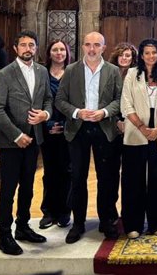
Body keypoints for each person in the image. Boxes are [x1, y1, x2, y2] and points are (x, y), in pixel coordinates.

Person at [55, 31, 123, 244]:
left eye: (96, 45)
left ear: (104, 48)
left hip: (104, 129)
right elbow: (60, 100)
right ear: (82, 47)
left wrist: (105, 112)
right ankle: (78, 223)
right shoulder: (71, 70)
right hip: (78, 129)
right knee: (78, 178)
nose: (91, 49)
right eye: (87, 45)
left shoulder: (112, 71)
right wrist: (77, 112)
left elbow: (120, 100)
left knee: (107, 178)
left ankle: (106, 221)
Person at [0, 31, 52, 255]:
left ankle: (23, 227)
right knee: (8, 190)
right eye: (23, 45)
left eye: (32, 45)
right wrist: (17, 135)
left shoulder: (42, 71)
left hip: (34, 138)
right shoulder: (6, 73)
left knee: (27, 187)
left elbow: (47, 99)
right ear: (16, 48)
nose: (28, 49)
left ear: (36, 48)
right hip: (11, 141)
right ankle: (4, 234)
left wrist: (45, 114)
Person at [120, 39, 157, 238]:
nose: (151, 56)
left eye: (154, 52)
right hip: (136, 132)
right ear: (141, 56)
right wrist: (143, 128)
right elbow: (126, 105)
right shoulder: (132, 75)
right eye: (147, 53)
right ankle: (133, 224)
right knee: (133, 180)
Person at [39, 40, 72, 230]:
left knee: (67, 171)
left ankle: (65, 211)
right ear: (49, 52)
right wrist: (49, 123)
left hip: (69, 129)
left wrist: (65, 124)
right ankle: (48, 211)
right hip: (47, 128)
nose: (59, 53)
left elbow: (78, 100)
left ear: (67, 52)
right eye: (55, 49)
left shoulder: (73, 72)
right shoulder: (42, 73)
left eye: (62, 49)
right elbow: (39, 99)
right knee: (50, 171)